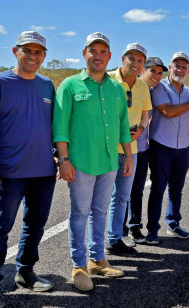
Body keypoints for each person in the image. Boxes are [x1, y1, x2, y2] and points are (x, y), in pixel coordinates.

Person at [0, 31, 56, 308]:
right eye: (27, 51)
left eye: (38, 52)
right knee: (0, 228)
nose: (33, 56)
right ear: (15, 51)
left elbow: (54, 126)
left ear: (44, 56)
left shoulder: (47, 85)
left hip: (43, 172)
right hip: (8, 172)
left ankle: (25, 272)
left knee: (35, 225)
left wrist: (60, 157)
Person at [53, 32, 134, 292]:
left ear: (109, 56)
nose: (97, 56)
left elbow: (123, 125)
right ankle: (79, 265)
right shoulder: (69, 86)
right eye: (93, 51)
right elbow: (60, 127)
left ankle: (98, 259)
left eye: (102, 52)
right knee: (80, 214)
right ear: (84, 53)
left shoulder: (116, 89)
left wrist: (129, 155)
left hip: (110, 162)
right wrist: (63, 159)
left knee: (101, 212)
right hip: (80, 164)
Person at [145, 51, 189, 244]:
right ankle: (152, 230)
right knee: (158, 188)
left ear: (188, 71)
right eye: (177, 66)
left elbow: (186, 117)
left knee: (177, 188)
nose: (180, 70)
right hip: (161, 146)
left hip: (182, 147)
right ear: (170, 68)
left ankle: (173, 224)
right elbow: (167, 112)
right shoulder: (160, 87)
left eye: (184, 67)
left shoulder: (187, 91)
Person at [105, 43, 151, 257]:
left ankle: (114, 239)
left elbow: (145, 114)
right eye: (132, 58)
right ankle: (96, 245)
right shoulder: (107, 80)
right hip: (106, 148)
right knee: (99, 199)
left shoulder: (142, 86)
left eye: (140, 60)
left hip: (130, 149)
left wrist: (141, 130)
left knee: (122, 196)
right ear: (123, 59)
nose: (136, 63)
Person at [121, 57, 167, 246]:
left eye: (159, 72)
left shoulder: (152, 91)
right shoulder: (130, 87)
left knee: (137, 191)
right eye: (152, 71)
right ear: (143, 71)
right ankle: (120, 231)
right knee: (122, 192)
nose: (156, 75)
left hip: (143, 149)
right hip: (124, 149)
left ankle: (134, 227)